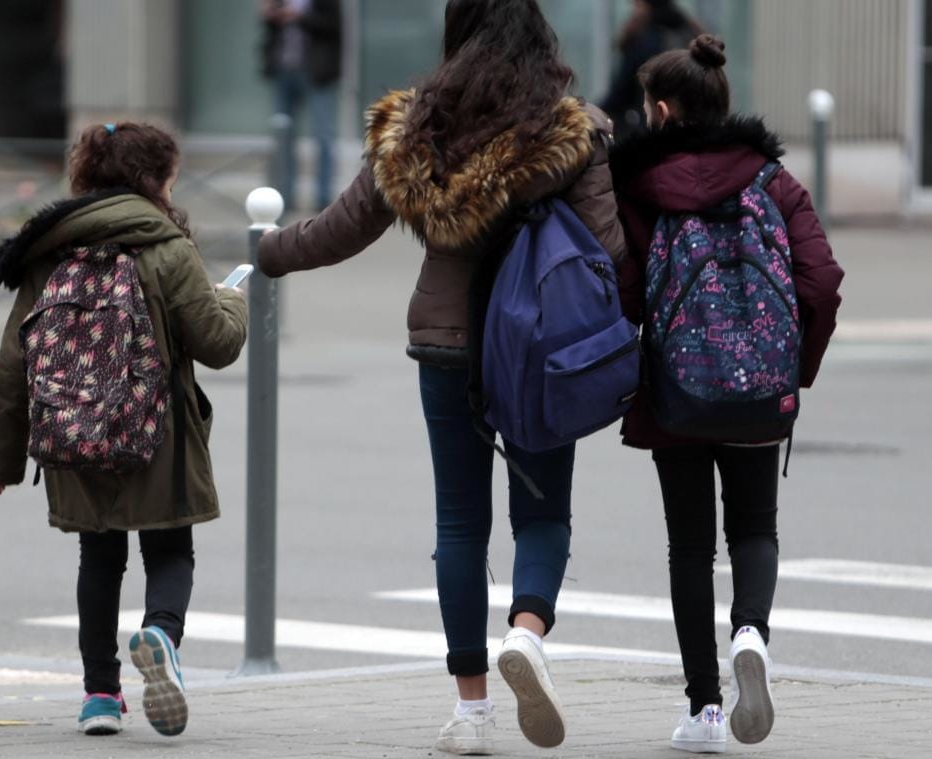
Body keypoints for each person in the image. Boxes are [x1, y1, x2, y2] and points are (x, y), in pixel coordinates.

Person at [256, 0, 625, 753]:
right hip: (539, 350)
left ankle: (471, 711)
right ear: (539, 39)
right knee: (543, 512)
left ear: (455, 37)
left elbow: (340, 228)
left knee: (459, 523)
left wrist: (267, 252)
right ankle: (526, 631)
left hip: (447, 344)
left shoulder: (417, 127)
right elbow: (611, 249)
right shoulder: (571, 129)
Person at [609, 35, 844, 753]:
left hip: (675, 392)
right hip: (759, 389)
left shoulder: (641, 189)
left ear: (659, 110)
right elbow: (822, 281)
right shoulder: (774, 182)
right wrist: (788, 370)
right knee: (755, 527)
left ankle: (705, 711)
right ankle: (751, 630)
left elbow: (621, 288)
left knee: (689, 548)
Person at [0, 122, 248, 738]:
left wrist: (3, 461)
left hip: (71, 432)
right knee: (169, 549)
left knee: (98, 558)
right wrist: (231, 300)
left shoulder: (50, 253)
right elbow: (218, 345)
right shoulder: (167, 248)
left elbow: (13, 362)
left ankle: (100, 695)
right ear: (155, 180)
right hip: (159, 435)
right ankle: (160, 633)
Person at [260, 0, 342, 210]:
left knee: (323, 136)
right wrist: (270, 15)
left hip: (317, 72)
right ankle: (285, 196)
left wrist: (300, 17)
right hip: (284, 70)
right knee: (283, 135)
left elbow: (333, 26)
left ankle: (323, 198)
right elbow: (270, 33)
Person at [601, 0, 704, 138]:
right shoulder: (691, 34)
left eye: (637, 5)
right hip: (696, 132)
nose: (634, 11)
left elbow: (621, 93)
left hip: (652, 134)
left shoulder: (644, 40)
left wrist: (589, 113)